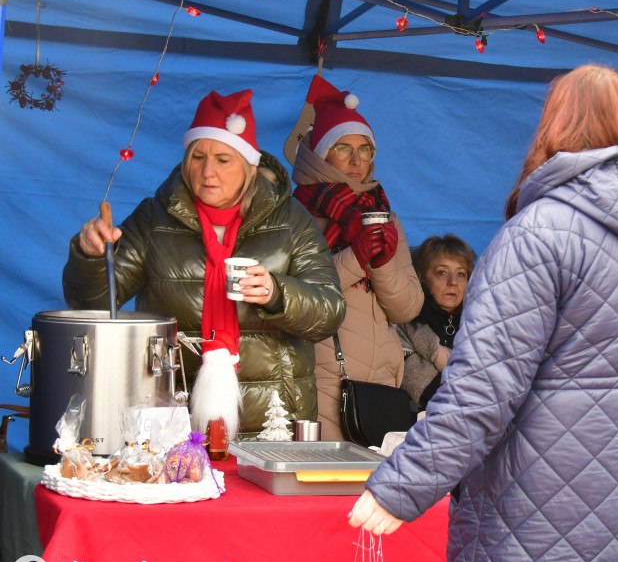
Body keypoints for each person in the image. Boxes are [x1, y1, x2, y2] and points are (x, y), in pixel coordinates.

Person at [349, 64, 618, 562]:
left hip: (531, 510)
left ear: (554, 129)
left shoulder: (534, 236)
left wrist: (399, 488)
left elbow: (482, 391)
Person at [64, 89, 345, 439]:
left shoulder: (290, 220)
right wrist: (92, 258)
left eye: (223, 160)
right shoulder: (155, 219)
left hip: (273, 422)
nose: (207, 171)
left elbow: (330, 311)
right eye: (197, 157)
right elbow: (91, 304)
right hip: (169, 419)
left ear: (249, 166)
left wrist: (277, 293)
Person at [287, 76, 423, 441]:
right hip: (326, 378)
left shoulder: (384, 214)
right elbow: (296, 296)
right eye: (343, 148)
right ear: (320, 153)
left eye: (365, 149)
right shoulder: (294, 213)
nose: (356, 159)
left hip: (383, 383)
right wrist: (355, 257)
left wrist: (382, 263)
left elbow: (407, 309)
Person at [398, 235, 477, 411]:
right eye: (442, 272)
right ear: (422, 276)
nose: (453, 282)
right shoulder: (403, 321)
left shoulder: (479, 325)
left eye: (461, 274)